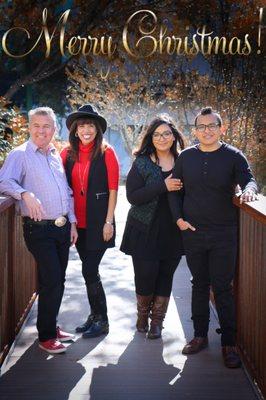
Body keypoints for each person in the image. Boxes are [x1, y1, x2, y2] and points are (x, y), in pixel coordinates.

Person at [169, 106, 258, 368]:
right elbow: (174, 190)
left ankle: (229, 343)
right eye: (201, 127)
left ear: (222, 128)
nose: (206, 131)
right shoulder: (186, 157)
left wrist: (249, 191)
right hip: (193, 233)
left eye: (212, 126)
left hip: (224, 233)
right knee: (198, 284)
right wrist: (179, 220)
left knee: (223, 288)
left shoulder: (234, 156)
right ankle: (199, 337)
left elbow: (249, 180)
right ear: (195, 130)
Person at [0, 107, 78, 354]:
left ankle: (50, 325)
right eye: (37, 125)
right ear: (29, 127)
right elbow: (3, 180)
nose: (42, 131)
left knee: (56, 280)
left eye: (47, 126)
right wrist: (24, 194)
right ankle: (45, 338)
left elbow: (66, 192)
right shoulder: (20, 154)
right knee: (53, 279)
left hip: (62, 228)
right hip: (38, 230)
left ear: (54, 129)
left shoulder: (55, 155)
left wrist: (72, 221)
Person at [120, 114, 185, 339]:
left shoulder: (184, 161)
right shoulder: (142, 162)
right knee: (146, 275)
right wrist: (163, 186)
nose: (162, 138)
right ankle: (142, 314)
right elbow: (133, 196)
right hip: (143, 229)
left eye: (167, 133)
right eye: (157, 134)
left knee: (166, 275)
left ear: (174, 136)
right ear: (151, 137)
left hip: (174, 230)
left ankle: (157, 322)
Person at [61, 104, 119, 338]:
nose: (86, 130)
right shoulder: (66, 154)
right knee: (89, 272)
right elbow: (62, 187)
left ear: (97, 130)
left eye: (91, 125)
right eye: (82, 125)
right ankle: (95, 316)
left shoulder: (107, 152)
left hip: (99, 223)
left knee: (89, 269)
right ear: (75, 130)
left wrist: (109, 222)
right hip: (77, 223)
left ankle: (102, 320)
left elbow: (113, 189)